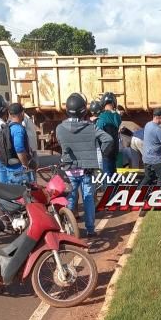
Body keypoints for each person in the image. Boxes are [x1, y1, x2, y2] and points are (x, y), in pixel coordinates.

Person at [56, 93, 114, 236]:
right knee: (88, 198)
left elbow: (62, 146)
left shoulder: (60, 128)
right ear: (83, 110)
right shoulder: (90, 127)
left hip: (69, 170)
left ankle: (69, 229)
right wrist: (101, 152)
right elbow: (108, 139)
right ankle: (90, 229)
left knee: (71, 197)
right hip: (87, 170)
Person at [3, 103, 35, 184]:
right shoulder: (18, 129)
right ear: (22, 113)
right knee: (25, 195)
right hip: (19, 171)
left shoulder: (8, 127)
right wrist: (25, 164)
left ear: (9, 114)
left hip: (10, 168)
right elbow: (19, 149)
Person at [139, 108, 161, 186]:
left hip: (146, 158)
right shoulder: (159, 130)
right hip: (156, 159)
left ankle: (138, 193)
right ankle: (157, 196)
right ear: (159, 117)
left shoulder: (147, 124)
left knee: (148, 177)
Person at [96, 92, 121, 179]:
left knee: (106, 175)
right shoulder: (117, 116)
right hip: (115, 150)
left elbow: (97, 132)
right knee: (113, 172)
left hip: (105, 151)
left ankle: (107, 191)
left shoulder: (101, 117)